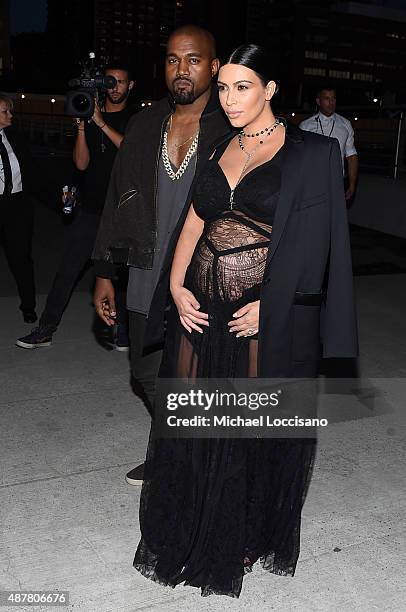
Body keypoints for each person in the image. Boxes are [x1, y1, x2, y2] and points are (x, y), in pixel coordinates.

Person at [132, 44, 358, 598]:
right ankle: (188, 527)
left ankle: (240, 534)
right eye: (226, 87)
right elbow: (193, 224)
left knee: (250, 432)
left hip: (258, 313)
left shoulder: (313, 153)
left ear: (271, 90)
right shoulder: (217, 145)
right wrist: (178, 285)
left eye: (244, 88)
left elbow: (320, 247)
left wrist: (276, 307)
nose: (231, 100)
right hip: (200, 305)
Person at [91, 25, 230, 485]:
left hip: (205, 281)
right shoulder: (145, 124)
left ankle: (190, 462)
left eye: (193, 59)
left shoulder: (231, 129)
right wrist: (106, 272)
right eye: (173, 60)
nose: (181, 70)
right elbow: (117, 198)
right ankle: (176, 450)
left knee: (198, 379)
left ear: (213, 66)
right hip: (146, 271)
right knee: (146, 372)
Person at [16, 66, 134, 350]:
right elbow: (81, 163)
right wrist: (83, 126)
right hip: (91, 210)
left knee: (124, 276)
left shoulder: (138, 119)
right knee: (66, 271)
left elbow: (131, 152)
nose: (114, 87)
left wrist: (102, 122)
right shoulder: (89, 114)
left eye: (119, 82)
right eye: (110, 83)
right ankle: (45, 329)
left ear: (130, 85)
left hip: (121, 213)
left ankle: (122, 330)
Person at [0, 92, 42, 323]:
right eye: (5, 111)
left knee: (21, 259)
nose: (10, 115)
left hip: (16, 206)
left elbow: (34, 172)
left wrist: (59, 194)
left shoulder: (16, 138)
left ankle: (28, 306)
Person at [299, 86, 358, 201]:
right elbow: (300, 158)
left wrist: (352, 185)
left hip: (337, 182)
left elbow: (351, 157)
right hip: (311, 183)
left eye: (333, 99)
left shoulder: (345, 124)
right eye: (326, 98)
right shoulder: (305, 126)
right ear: (318, 101)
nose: (331, 102)